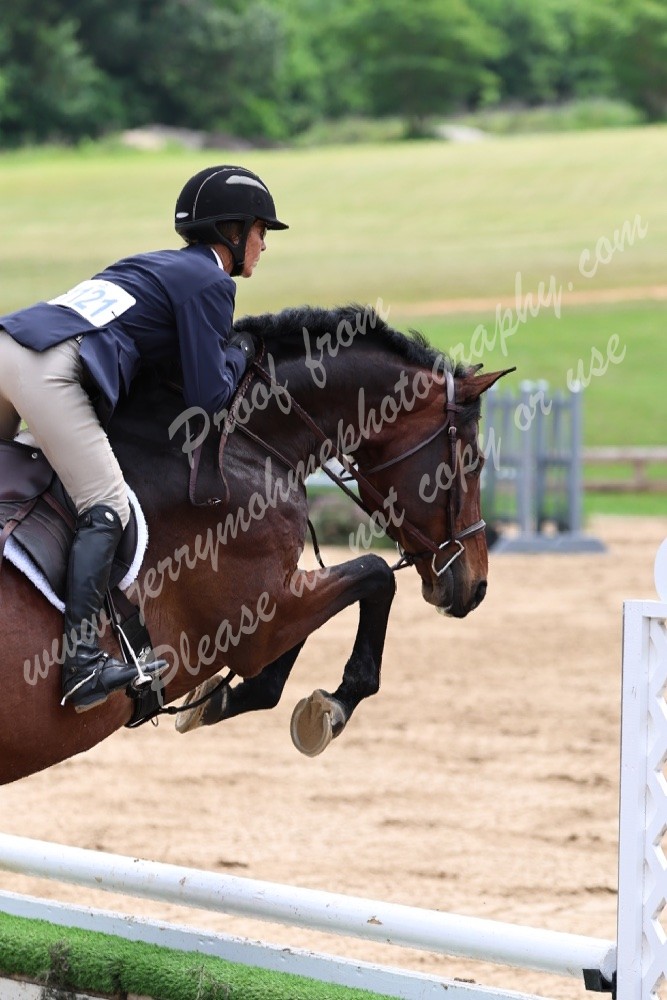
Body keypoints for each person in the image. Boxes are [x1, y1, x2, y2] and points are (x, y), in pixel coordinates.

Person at [0, 165, 288, 712]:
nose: (264, 244)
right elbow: (208, 397)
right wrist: (242, 351)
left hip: (9, 344)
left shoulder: (150, 264)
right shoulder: (211, 281)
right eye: (260, 230)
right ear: (231, 231)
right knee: (105, 502)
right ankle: (83, 664)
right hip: (48, 370)